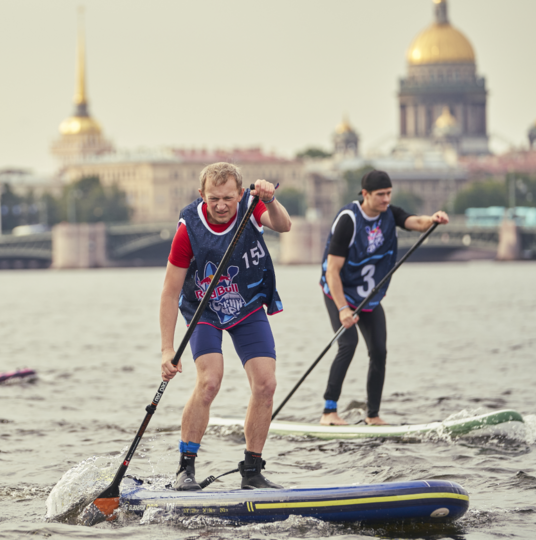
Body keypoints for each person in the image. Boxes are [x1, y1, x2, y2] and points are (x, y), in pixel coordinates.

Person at [160, 162, 292, 491]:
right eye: (213, 198)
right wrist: (167, 349)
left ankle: (252, 471)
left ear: (240, 194)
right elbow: (170, 291)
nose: (221, 206)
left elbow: (284, 225)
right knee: (209, 382)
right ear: (201, 195)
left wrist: (271, 199)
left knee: (266, 384)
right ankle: (185, 469)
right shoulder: (188, 229)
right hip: (203, 308)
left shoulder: (252, 205)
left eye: (228, 199)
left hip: (246, 304)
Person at [319, 170, 449, 426]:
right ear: (365, 194)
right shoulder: (348, 220)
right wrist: (343, 309)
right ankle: (329, 412)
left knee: (379, 350)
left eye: (389, 194)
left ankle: (373, 414)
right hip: (339, 294)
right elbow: (332, 270)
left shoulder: (390, 214)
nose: (386, 199)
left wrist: (433, 219)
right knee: (348, 344)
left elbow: (416, 223)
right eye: (381, 195)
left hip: (368, 298)